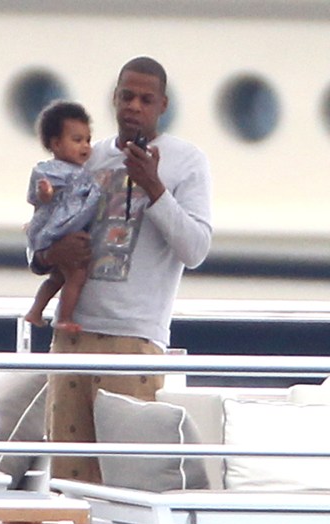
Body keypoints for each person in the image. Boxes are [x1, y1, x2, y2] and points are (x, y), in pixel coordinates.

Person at [29, 56, 212, 482]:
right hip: (72, 338)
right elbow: (40, 236)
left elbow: (196, 249)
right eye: (127, 96)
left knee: (130, 480)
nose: (134, 106)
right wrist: (49, 255)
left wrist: (154, 186)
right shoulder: (87, 157)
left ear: (163, 105)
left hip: (136, 341)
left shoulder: (187, 161)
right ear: (114, 98)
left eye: (146, 99)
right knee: (68, 481)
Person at [25, 100, 101, 330]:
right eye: (77, 140)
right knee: (77, 275)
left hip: (67, 227)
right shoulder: (52, 170)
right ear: (56, 144)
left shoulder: (81, 170)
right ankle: (64, 317)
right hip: (59, 230)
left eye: (88, 140)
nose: (85, 146)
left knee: (58, 277)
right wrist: (46, 192)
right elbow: (42, 196)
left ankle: (35, 311)